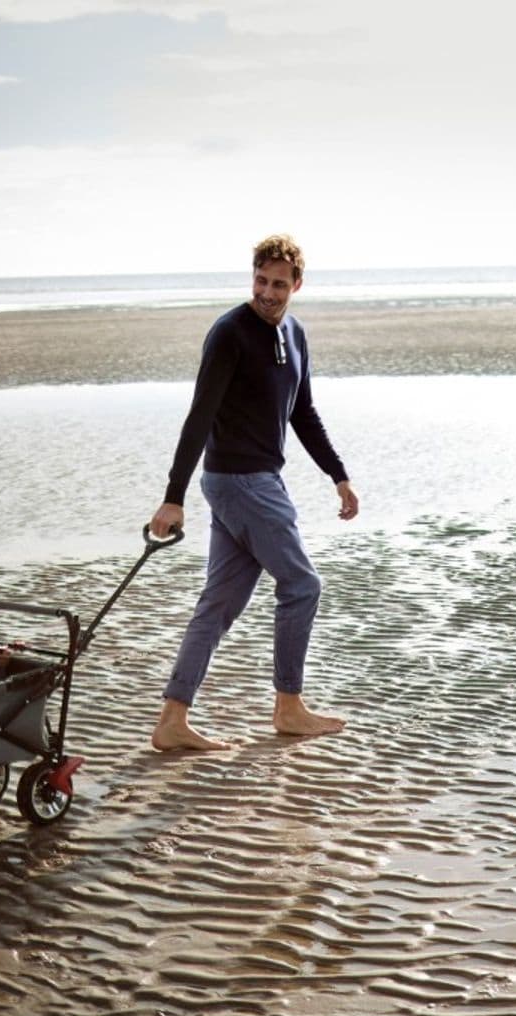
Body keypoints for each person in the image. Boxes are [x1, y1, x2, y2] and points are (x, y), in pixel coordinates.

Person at [149, 233, 359, 752]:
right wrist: (173, 496)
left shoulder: (295, 334)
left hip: (251, 482)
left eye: (279, 284)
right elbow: (199, 416)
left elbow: (303, 412)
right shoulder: (229, 334)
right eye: (261, 281)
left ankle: (172, 720)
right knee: (302, 585)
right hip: (242, 484)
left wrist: (338, 474)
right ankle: (289, 707)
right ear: (253, 278)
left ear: (297, 285)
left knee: (218, 605)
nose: (268, 292)